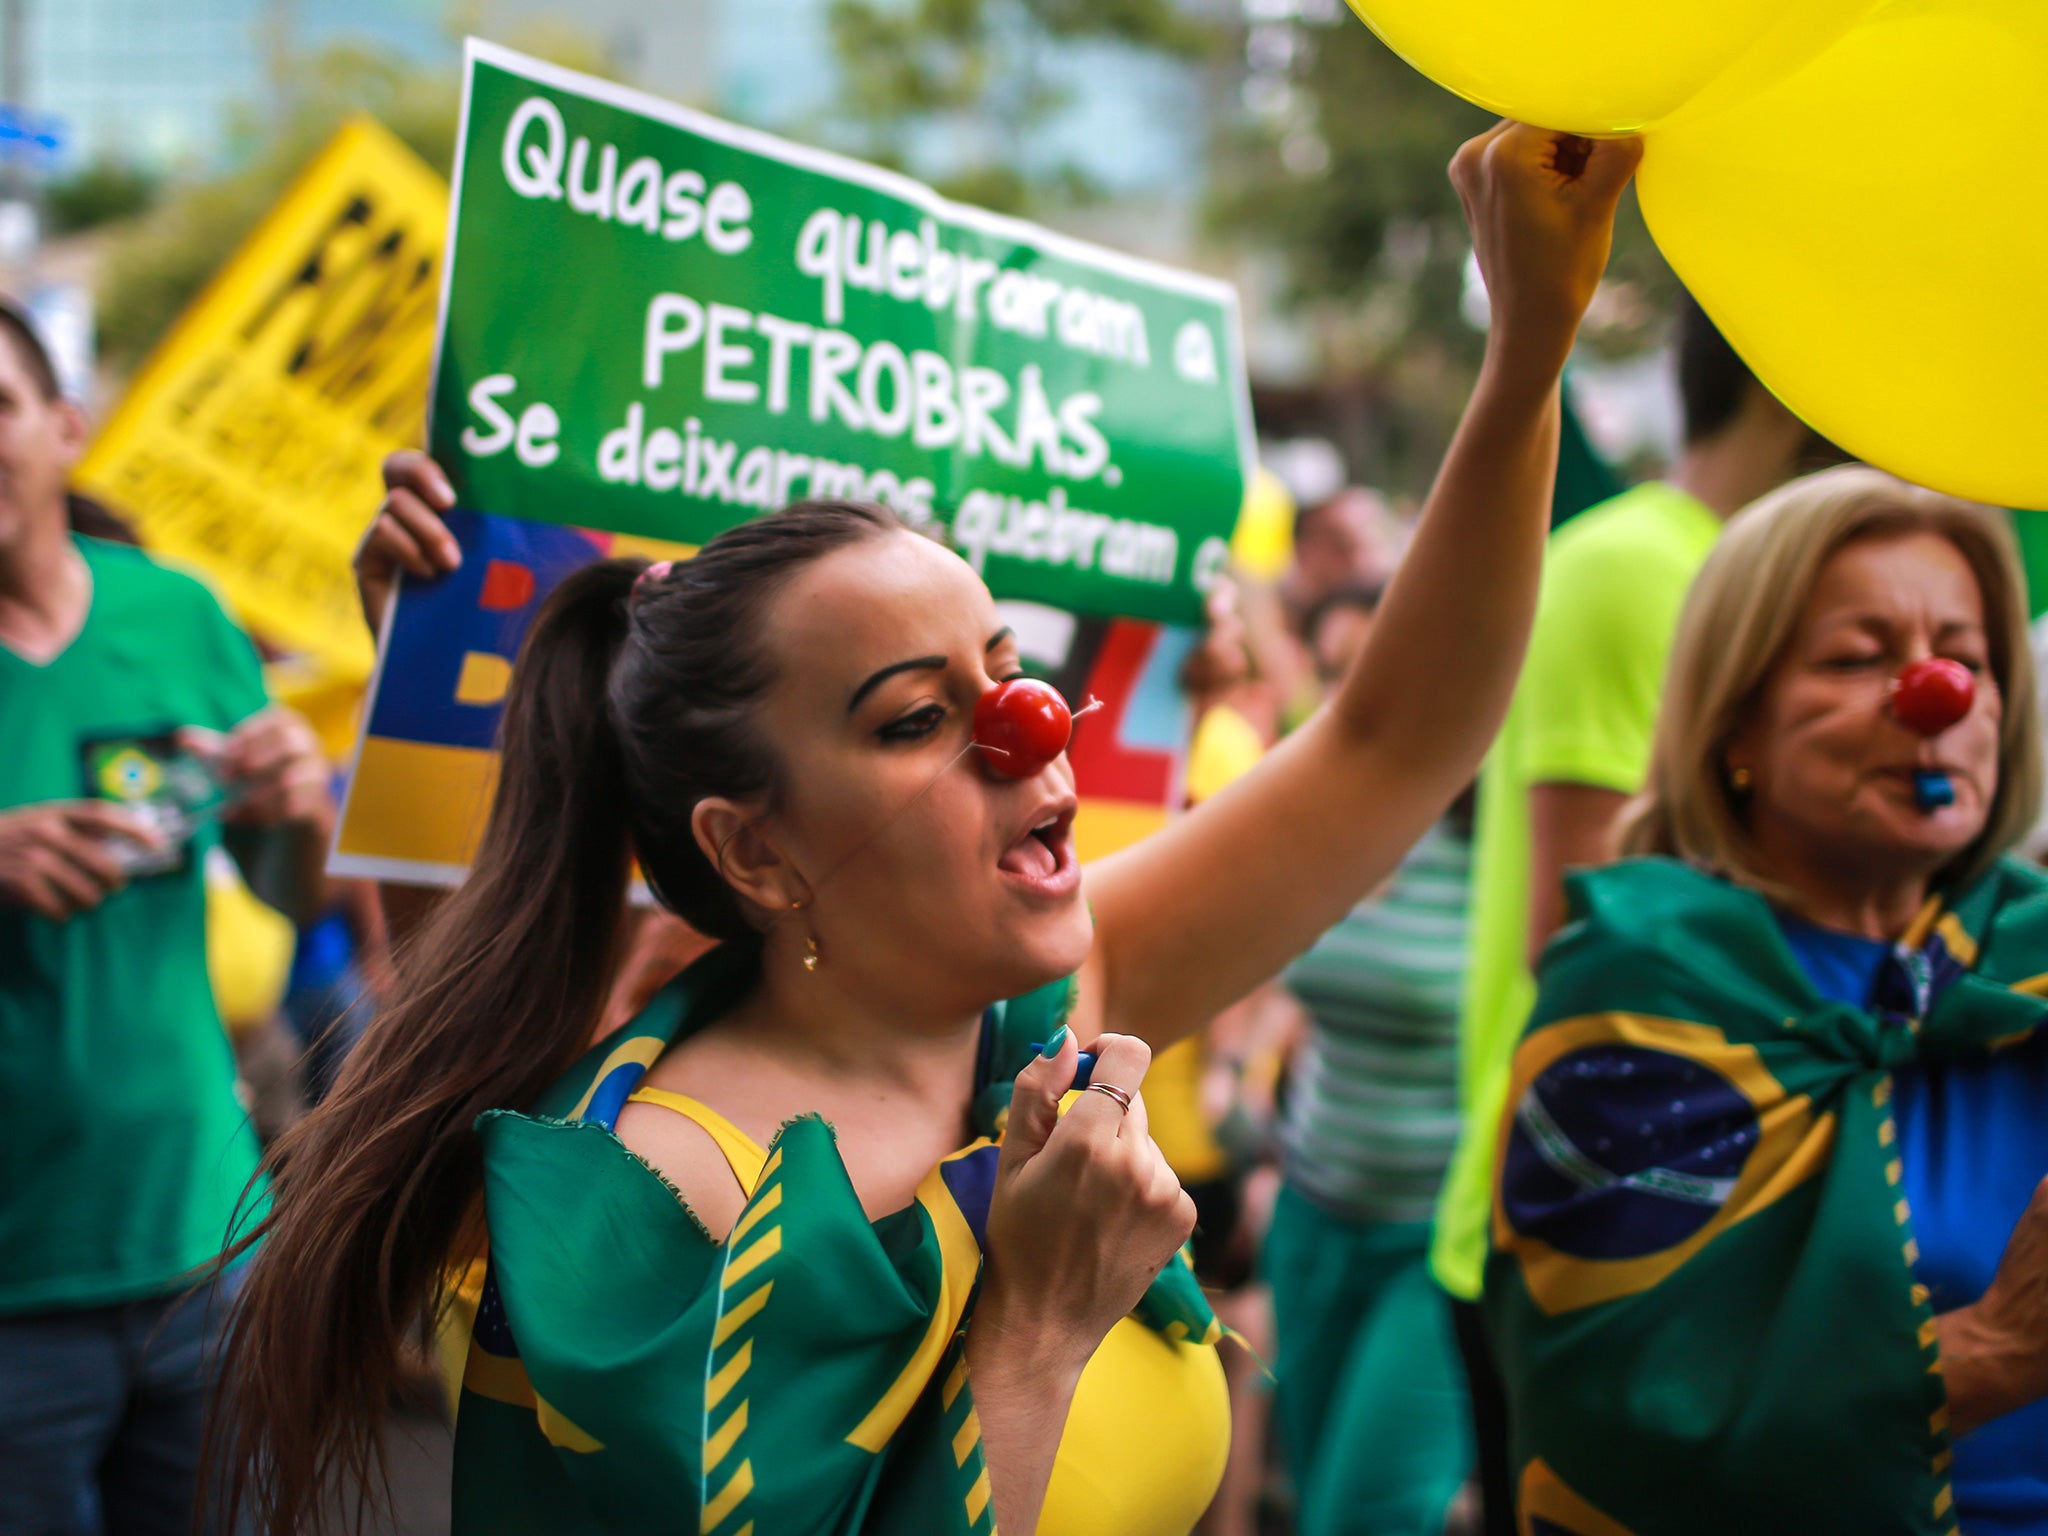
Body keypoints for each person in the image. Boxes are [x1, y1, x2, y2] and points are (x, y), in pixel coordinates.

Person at [213, 123, 1643, 1536]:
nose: (1031, 728)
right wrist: (1034, 1326)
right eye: (912, 719)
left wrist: (1530, 344)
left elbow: (1392, 743)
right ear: (753, 851)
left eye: (1008, 668)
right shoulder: (660, 1188)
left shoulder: (1047, 1019)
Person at [1485, 468, 2048, 1533]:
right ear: (1732, 727)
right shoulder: (1638, 999)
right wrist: (1986, 1358)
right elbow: (1619, 1419)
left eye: (1963, 658)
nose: (1933, 698)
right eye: (1854, 657)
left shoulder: (2029, 968)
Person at [1428, 293, 1830, 1530]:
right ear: (1778, 384)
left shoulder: (1726, 572)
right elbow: (1586, 929)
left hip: (1706, 1205)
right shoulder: (1634, 569)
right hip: (1589, 1210)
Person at [0, 298, 334, 1534]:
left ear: (64, 428)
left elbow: (285, 893)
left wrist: (299, 811)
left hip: (202, 1245)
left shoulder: (179, 616)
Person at [1264, 582, 1476, 1536]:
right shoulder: (1311, 819)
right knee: (1314, 1496)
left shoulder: (1497, 833)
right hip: (1313, 1214)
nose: (1350, 698)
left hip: (1432, 1242)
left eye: (1374, 673)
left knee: (1366, 1516)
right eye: (1333, 673)